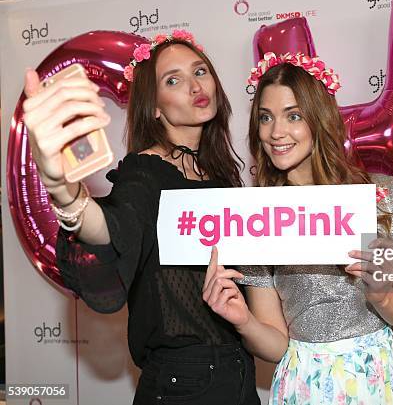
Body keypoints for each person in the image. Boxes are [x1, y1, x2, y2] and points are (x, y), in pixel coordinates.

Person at [22, 30, 260, 405]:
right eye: (173, 80)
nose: (194, 85)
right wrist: (65, 194)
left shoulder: (221, 179)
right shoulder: (144, 174)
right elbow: (115, 227)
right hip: (184, 385)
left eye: (200, 71)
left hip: (239, 375)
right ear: (155, 107)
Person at [203, 52, 393, 404]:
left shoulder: (381, 196)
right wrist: (243, 321)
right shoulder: (260, 217)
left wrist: (381, 293)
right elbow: (276, 343)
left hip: (375, 377)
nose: (276, 132)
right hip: (304, 383)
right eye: (265, 117)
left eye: (293, 116)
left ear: (318, 119)